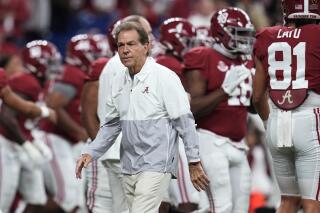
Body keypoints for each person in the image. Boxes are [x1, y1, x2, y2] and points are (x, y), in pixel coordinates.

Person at [76, 21, 209, 213]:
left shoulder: (164, 77)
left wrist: (193, 161)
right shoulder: (118, 80)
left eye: (131, 44)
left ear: (146, 46)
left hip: (156, 165)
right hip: (129, 164)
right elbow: (112, 126)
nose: (125, 50)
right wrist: (92, 151)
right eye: (121, 45)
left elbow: (184, 122)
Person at [183, 7, 255, 213]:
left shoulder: (245, 60)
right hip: (210, 141)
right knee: (221, 207)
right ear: (221, 33)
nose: (244, 40)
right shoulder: (203, 56)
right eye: (238, 34)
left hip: (239, 145)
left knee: (240, 209)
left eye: (245, 34)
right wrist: (224, 91)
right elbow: (192, 108)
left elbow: (252, 108)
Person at [252, 0, 320, 212]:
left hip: (276, 123)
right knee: (312, 202)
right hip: (310, 120)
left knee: (288, 200)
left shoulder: (266, 36)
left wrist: (267, 122)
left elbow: (256, 97)